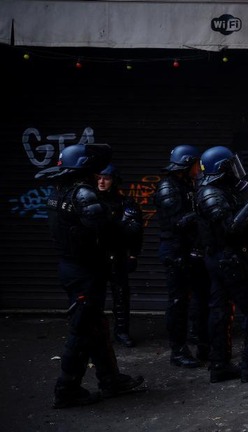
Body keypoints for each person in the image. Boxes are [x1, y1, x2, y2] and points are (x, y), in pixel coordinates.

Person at [38, 144, 144, 408]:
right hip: (84, 271)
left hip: (73, 268)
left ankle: (110, 380)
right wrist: (129, 226)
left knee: (96, 327)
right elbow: (108, 232)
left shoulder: (59, 191)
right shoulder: (83, 193)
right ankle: (66, 389)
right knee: (82, 330)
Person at [195, 146, 248, 383]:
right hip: (229, 259)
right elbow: (232, 228)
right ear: (222, 169)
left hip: (220, 259)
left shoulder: (216, 191)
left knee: (221, 311)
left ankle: (220, 365)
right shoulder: (212, 194)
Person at [154, 144, 210, 368]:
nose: (199, 168)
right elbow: (177, 222)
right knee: (178, 302)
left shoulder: (186, 184)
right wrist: (200, 213)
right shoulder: (168, 187)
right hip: (175, 251)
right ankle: (177, 351)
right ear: (188, 164)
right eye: (196, 164)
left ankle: (199, 341)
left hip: (190, 250)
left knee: (199, 297)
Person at [96, 164, 143, 348]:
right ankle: (96, 333)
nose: (101, 182)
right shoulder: (89, 201)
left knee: (121, 296)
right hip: (97, 256)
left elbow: (135, 232)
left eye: (106, 178)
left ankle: (122, 332)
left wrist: (133, 255)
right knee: (93, 297)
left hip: (118, 255)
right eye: (99, 177)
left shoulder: (126, 203)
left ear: (114, 181)